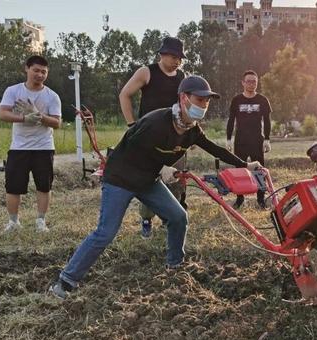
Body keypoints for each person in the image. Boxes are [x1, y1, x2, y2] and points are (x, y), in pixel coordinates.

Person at [49, 75, 262, 299]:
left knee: (178, 217)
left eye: (206, 102)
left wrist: (245, 164)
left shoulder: (192, 130)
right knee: (105, 232)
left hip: (147, 180)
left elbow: (214, 149)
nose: (203, 105)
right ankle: (66, 281)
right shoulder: (156, 121)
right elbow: (132, 146)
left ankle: (175, 268)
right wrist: (161, 167)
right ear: (183, 98)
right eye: (199, 100)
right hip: (121, 177)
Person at [119, 36, 188, 239]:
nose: (177, 61)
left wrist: (189, 134)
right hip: (148, 138)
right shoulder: (146, 72)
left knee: (175, 179)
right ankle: (147, 219)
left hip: (175, 137)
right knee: (148, 181)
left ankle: (170, 219)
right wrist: (132, 125)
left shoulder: (182, 77)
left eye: (179, 57)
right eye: (173, 56)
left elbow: (184, 106)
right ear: (162, 54)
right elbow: (125, 94)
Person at [0, 55, 62, 233]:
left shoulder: (52, 96)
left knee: (44, 185)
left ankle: (41, 221)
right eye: (36, 70)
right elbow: (2, 113)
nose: (39, 75)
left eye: (43, 72)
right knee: (13, 186)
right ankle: (13, 222)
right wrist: (24, 118)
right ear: (27, 68)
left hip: (44, 147)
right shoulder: (13, 91)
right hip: (19, 147)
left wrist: (39, 115)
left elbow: (57, 123)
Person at [226, 70, 272, 209]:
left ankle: (261, 199)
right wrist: (228, 139)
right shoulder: (237, 100)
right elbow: (231, 120)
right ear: (243, 83)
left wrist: (267, 139)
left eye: (254, 81)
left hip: (257, 140)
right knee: (240, 170)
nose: (251, 84)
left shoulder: (262, 100)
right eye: (249, 81)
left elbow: (267, 121)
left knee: (259, 170)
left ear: (257, 83)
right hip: (240, 141)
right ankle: (240, 199)